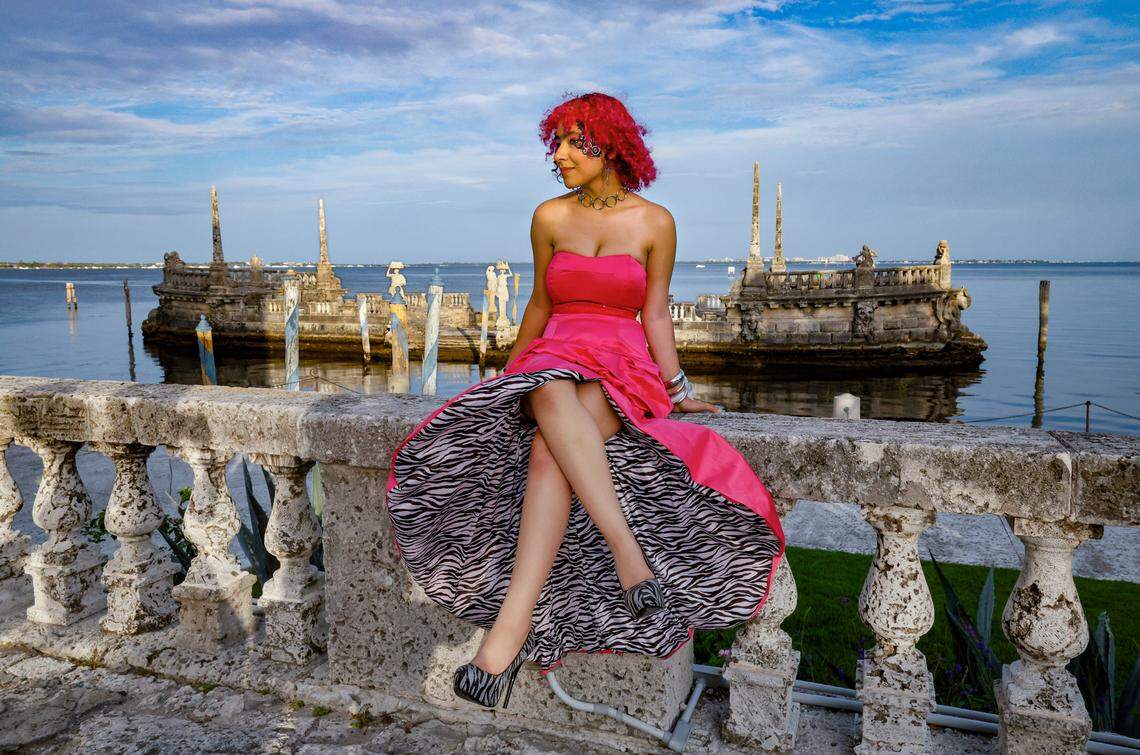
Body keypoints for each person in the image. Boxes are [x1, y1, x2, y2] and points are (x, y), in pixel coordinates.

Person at [384, 92, 786, 711]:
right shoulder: (548, 217)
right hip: (551, 360)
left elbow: (653, 313)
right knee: (544, 390)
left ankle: (506, 640)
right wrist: (505, 377)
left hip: (623, 367)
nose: (562, 155)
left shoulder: (656, 223)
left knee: (551, 449)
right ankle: (629, 558)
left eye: (576, 142)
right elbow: (540, 306)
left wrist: (680, 391)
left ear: (613, 144)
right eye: (558, 144)